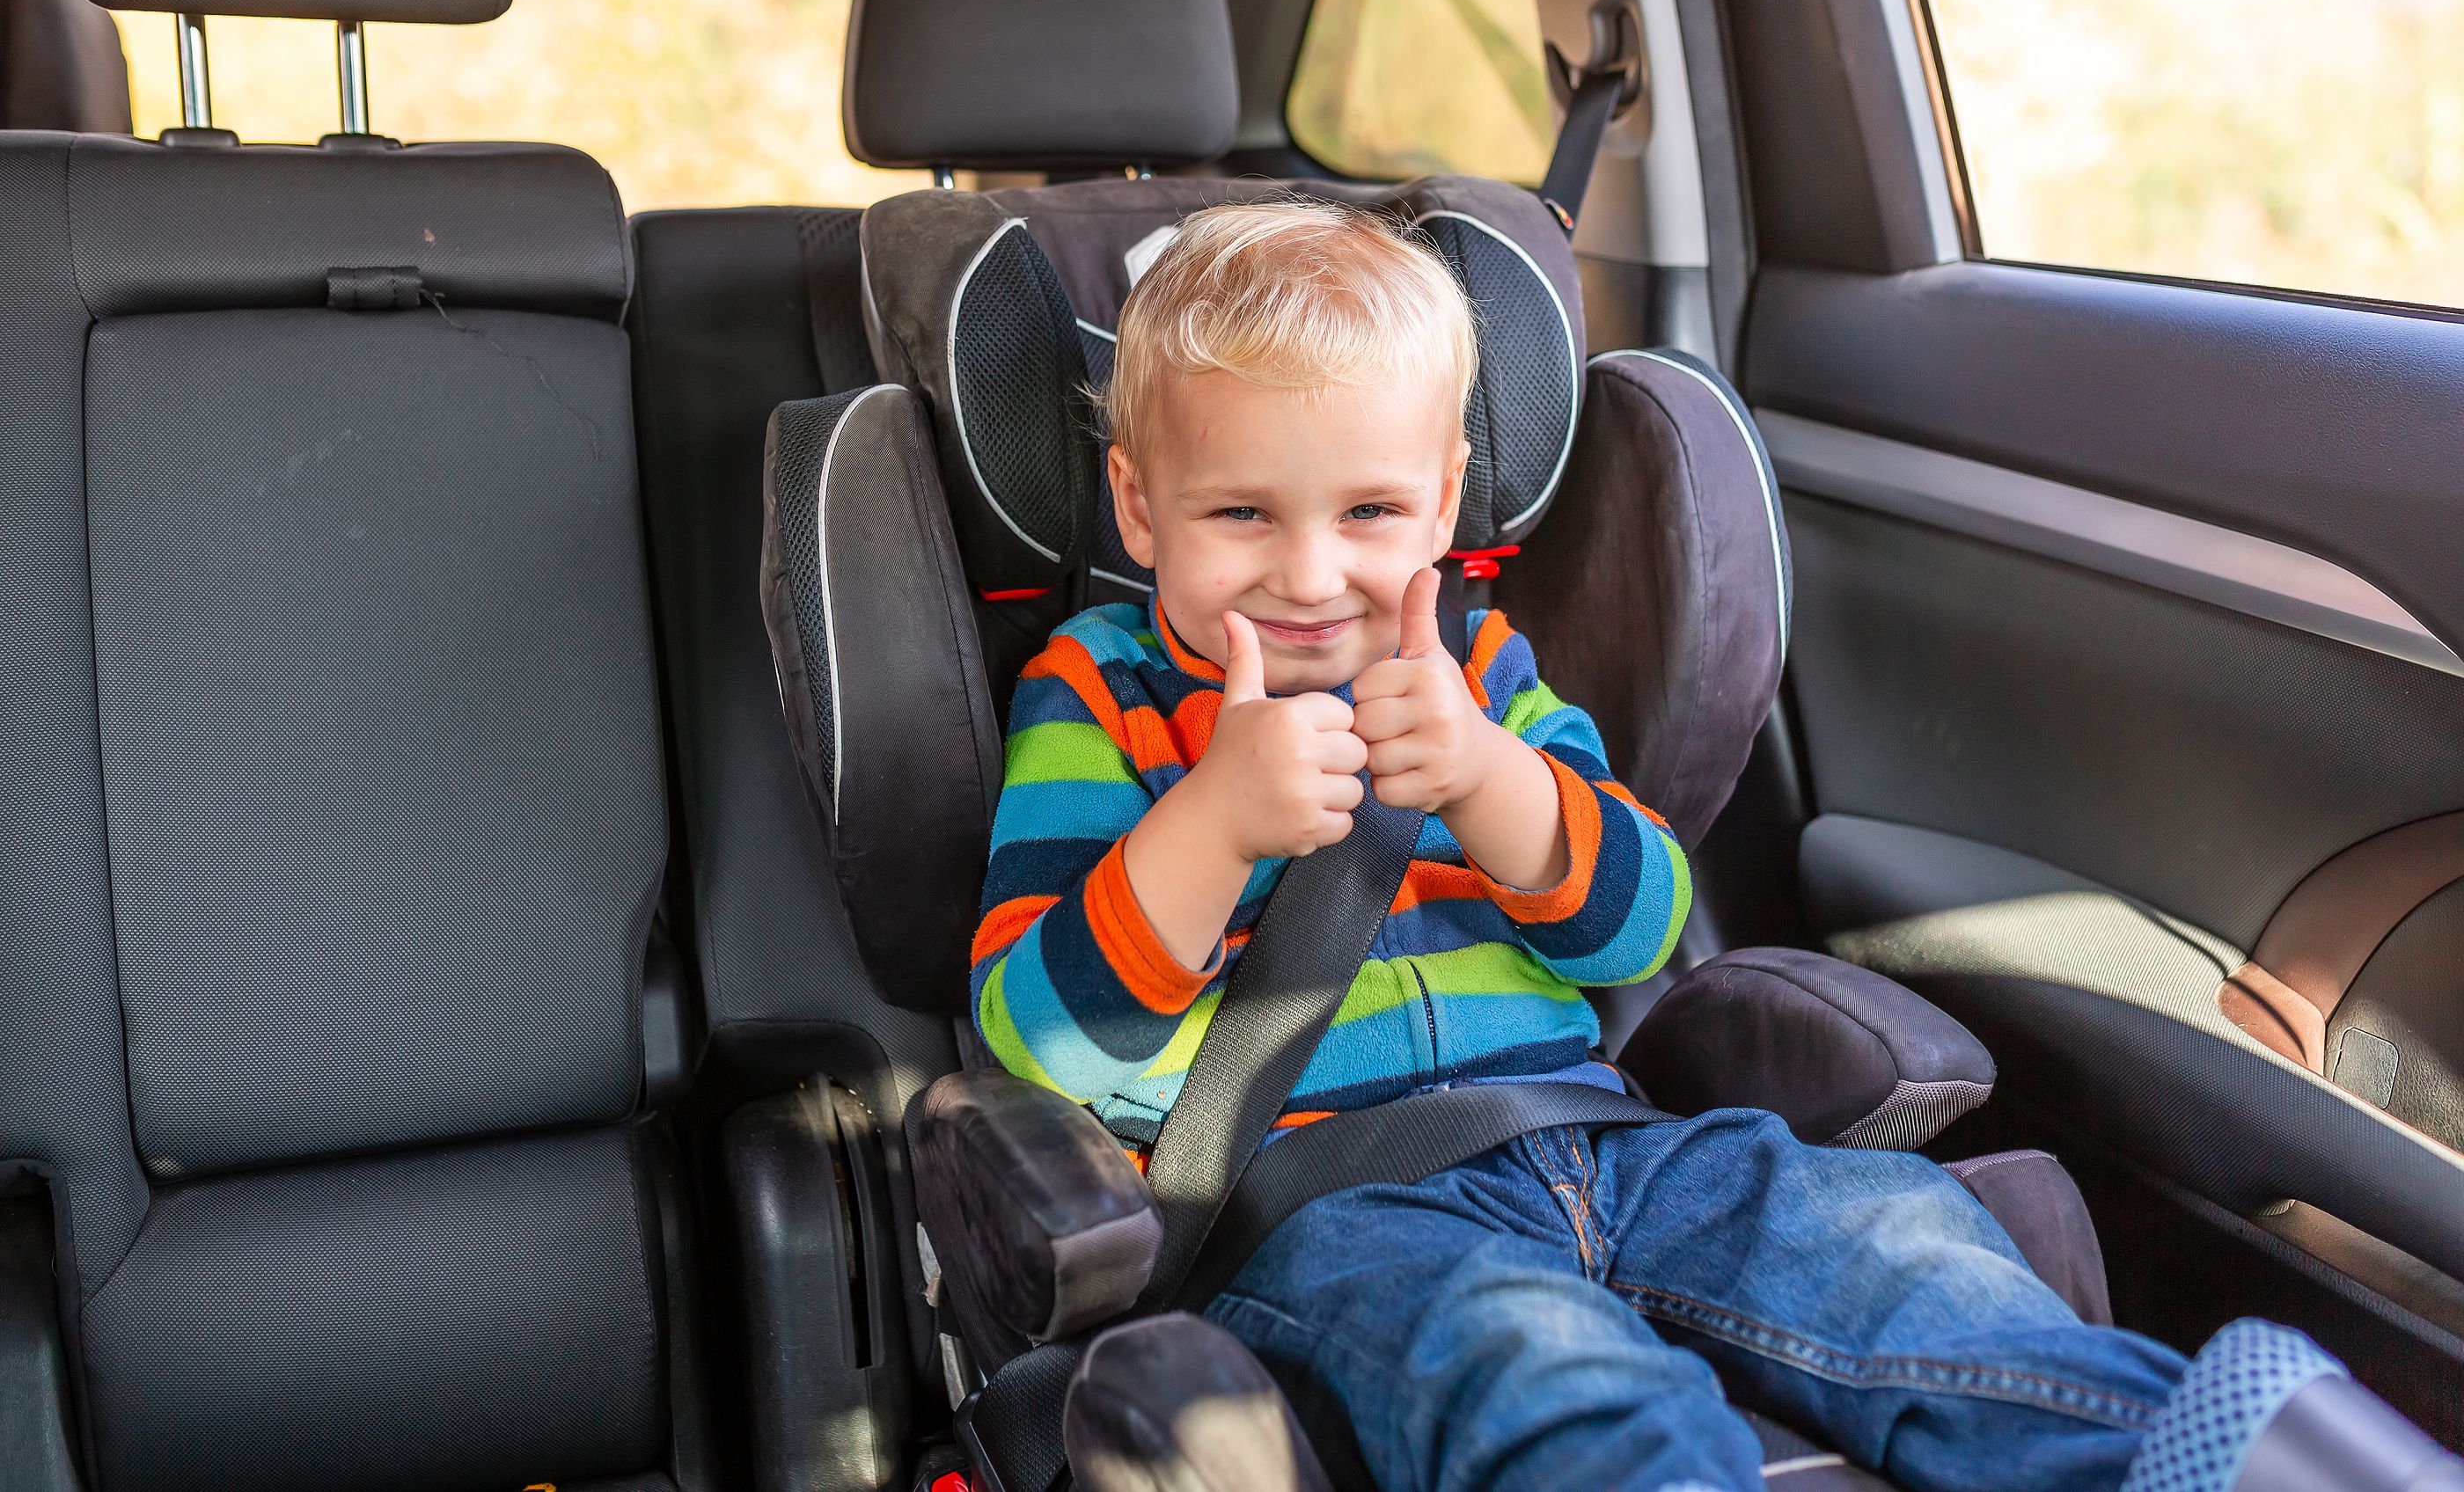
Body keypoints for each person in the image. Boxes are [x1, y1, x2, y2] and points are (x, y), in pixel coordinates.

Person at [964, 201, 2396, 1492]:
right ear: (1141, 506)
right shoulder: (1101, 695)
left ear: (1446, 504)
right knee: (1541, 1370)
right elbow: (1038, 1040)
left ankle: (2204, 1461)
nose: (1311, 571)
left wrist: (1486, 777)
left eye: (1370, 513)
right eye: (1241, 516)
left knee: (1893, 1250)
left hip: (1607, 1142)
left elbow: (1637, 926)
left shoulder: (1486, 674)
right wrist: (1211, 824)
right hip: (1326, 1210)